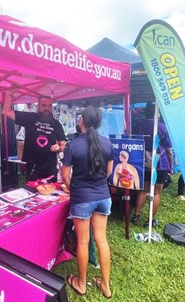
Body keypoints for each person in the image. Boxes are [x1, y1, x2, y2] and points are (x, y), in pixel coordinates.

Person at [61, 105, 114, 298]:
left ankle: (82, 284)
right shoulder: (107, 143)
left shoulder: (72, 145)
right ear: (98, 122)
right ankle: (106, 286)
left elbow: (65, 175)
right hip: (103, 197)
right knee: (102, 240)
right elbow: (109, 172)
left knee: (83, 242)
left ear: (81, 120)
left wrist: (72, 188)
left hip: (82, 198)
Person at [2, 90, 66, 182]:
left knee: (51, 192)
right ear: (38, 106)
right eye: (44, 105)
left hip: (50, 166)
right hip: (34, 166)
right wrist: (11, 94)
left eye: (49, 106)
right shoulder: (29, 118)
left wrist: (58, 148)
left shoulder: (56, 124)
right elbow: (5, 111)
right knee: (32, 192)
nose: (47, 108)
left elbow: (63, 144)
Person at [132, 102, 173, 227]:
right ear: (157, 114)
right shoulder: (162, 127)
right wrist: (171, 166)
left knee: (144, 190)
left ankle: (136, 216)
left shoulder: (138, 125)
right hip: (160, 164)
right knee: (156, 192)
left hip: (143, 163)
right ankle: (150, 220)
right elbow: (169, 151)